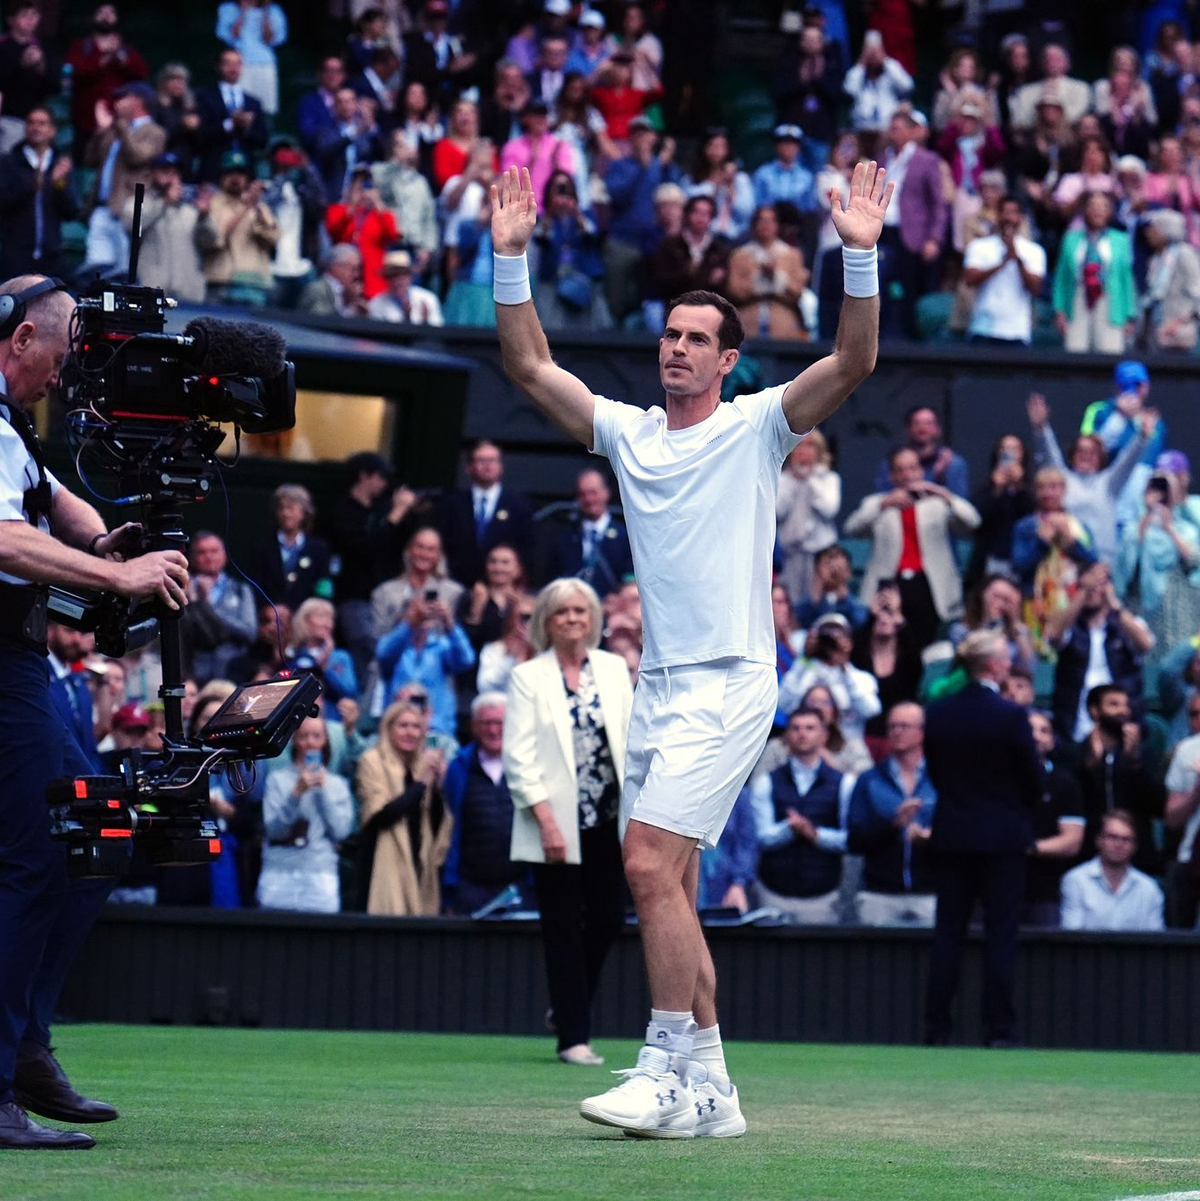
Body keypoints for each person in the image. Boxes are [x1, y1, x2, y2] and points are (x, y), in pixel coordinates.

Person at [492, 153, 892, 1134]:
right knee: (665, 881)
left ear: (727, 361)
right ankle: (713, 1089)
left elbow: (852, 364)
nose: (676, 348)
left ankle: (665, 1067)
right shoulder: (629, 435)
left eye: (697, 339)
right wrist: (512, 261)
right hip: (663, 689)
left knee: (639, 865)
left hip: (736, 684)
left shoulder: (759, 425)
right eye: (669, 333)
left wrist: (861, 259)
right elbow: (530, 365)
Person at [0, 276, 190, 1149]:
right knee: (46, 850)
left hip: (23, 662)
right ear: (22, 339)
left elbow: (51, 506)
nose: (74, 364)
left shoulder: (15, 430)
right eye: (70, 344)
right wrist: (118, 576)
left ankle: (27, 1046)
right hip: (3, 666)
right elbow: (1, 535)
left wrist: (112, 538)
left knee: (99, 832)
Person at [503, 578, 633, 1067]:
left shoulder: (615, 669)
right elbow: (519, 760)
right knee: (562, 929)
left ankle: (565, 1008)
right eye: (562, 612)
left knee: (608, 919)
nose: (573, 619)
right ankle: (573, 1037)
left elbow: (630, 741)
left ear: (594, 618)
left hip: (608, 818)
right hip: (553, 824)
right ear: (546, 621)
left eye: (581, 611)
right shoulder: (528, 677)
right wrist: (548, 823)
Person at [922, 630, 1041, 1048]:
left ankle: (937, 1031)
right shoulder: (1010, 716)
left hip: (953, 833)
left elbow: (936, 774)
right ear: (993, 666)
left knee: (948, 934)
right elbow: (1033, 780)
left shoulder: (937, 713)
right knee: (1000, 935)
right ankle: (1000, 1032)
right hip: (1003, 839)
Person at [844, 446, 981, 650]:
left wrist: (943, 493)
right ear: (892, 475)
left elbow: (973, 521)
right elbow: (851, 528)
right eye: (901, 470)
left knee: (925, 644)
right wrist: (883, 504)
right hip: (891, 584)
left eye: (912, 468)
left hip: (929, 584)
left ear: (921, 471)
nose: (907, 475)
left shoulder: (936, 503)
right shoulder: (878, 503)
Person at [1026, 392, 1153, 567]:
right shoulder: (1063, 479)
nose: (1086, 456)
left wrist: (1143, 437)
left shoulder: (1109, 483)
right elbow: (1049, 452)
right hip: (1068, 560)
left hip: (1103, 561)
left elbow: (1128, 461)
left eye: (1092, 452)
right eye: (1081, 451)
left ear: (1100, 457)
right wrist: (1041, 427)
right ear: (1072, 455)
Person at [750, 707, 853, 922]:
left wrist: (815, 834)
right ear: (787, 736)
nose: (802, 733)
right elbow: (760, 836)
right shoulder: (766, 781)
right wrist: (789, 829)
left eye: (810, 728)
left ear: (824, 735)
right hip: (773, 893)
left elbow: (849, 839)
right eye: (795, 728)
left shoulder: (844, 783)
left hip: (822, 896)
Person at [325, 452, 418, 684]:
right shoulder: (343, 511)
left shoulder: (381, 509)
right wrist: (396, 514)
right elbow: (366, 546)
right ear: (364, 476)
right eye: (380, 476)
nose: (384, 483)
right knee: (364, 644)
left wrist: (407, 511)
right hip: (354, 595)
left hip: (386, 593)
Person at [355, 699, 452, 915]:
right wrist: (423, 782)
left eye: (416, 726)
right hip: (382, 861)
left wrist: (439, 785)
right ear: (388, 729)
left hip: (420, 860)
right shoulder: (372, 761)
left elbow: (437, 822)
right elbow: (381, 816)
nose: (410, 732)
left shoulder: (422, 765)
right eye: (403, 725)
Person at [846, 701, 937, 926]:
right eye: (892, 726)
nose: (896, 732)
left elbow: (960, 829)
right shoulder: (869, 780)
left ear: (922, 732)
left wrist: (932, 837)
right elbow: (854, 840)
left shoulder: (942, 778)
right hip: (879, 894)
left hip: (931, 892)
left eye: (904, 726)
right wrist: (893, 825)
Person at [1046, 563, 1154, 743]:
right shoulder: (1070, 625)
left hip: (1120, 721)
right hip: (1074, 723)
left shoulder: (1125, 624)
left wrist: (1114, 604)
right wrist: (1083, 592)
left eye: (1099, 585)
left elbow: (1145, 644)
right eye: (1086, 584)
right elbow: (1053, 634)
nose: (1093, 590)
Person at [258, 715, 353, 913]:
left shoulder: (337, 785)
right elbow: (274, 831)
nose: (310, 742)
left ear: (325, 740)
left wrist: (322, 791)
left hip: (320, 875)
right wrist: (296, 794)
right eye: (303, 736)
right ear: (293, 740)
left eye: (316, 736)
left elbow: (341, 831)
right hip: (279, 874)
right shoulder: (278, 780)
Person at [443, 692, 526, 913]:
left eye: (500, 723)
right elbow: (450, 826)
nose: (493, 730)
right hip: (470, 887)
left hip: (520, 886)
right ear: (474, 726)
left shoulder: (527, 765)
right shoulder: (458, 768)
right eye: (486, 723)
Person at [1070, 684, 1165, 876]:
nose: (1123, 711)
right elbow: (1072, 801)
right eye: (1114, 704)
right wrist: (1091, 766)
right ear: (1094, 711)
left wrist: (1134, 762)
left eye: (1125, 705)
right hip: (1086, 856)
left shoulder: (1143, 755)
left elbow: (1159, 806)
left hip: (1137, 858)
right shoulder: (1074, 754)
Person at [82, 80, 165, 273]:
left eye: (122, 97)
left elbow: (137, 157)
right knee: (95, 271)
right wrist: (101, 131)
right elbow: (90, 159)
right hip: (101, 208)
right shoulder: (115, 129)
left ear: (138, 101)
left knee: (122, 274)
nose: (117, 102)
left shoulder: (154, 132)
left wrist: (121, 128)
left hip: (128, 210)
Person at [438, 440, 534, 589]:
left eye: (493, 460)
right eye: (481, 460)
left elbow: (527, 551)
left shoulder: (519, 506)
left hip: (503, 589)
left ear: (501, 467)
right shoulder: (453, 504)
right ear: (468, 467)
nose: (488, 466)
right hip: (458, 586)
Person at [1052, 192, 1137, 354]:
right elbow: (1061, 277)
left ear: (1110, 212)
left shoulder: (1121, 240)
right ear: (1085, 210)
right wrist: (1059, 310)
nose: (1097, 210)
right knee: (1075, 351)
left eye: (1103, 206)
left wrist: (1130, 315)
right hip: (1078, 297)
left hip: (1110, 299)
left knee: (1109, 352)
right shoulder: (1071, 238)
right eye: (1092, 206)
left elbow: (1126, 278)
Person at [1023, 709, 1085, 927]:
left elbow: (1072, 841)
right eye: (1029, 728)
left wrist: (1028, 847)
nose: (1036, 735)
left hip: (1045, 892)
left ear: (1052, 742)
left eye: (1044, 731)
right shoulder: (994, 779)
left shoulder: (1064, 783)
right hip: (993, 886)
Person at [194, 150, 279, 307]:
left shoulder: (259, 206)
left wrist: (258, 210)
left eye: (240, 173)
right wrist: (245, 209)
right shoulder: (211, 205)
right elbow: (215, 240)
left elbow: (273, 238)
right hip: (221, 285)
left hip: (254, 285)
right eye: (230, 173)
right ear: (221, 176)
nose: (236, 178)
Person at [0, 109, 77, 281]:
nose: (36, 128)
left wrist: (57, 183)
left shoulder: (60, 164)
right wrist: (32, 185)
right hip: (15, 255)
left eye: (42, 123)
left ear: (52, 130)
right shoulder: (9, 162)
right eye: (31, 123)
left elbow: (70, 211)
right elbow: (3, 202)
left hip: (51, 256)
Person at [120, 151, 205, 304]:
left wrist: (205, 216)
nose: (171, 177)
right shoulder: (138, 203)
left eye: (174, 172)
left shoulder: (190, 210)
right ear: (153, 174)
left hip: (187, 295)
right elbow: (133, 227)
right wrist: (164, 202)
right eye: (165, 171)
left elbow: (210, 241)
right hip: (151, 291)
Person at [961, 195, 1046, 346]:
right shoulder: (979, 246)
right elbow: (970, 279)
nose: (1009, 218)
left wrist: (1017, 259)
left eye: (1013, 213)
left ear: (1021, 218)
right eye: (1005, 212)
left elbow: (1035, 288)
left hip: (1016, 332)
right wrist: (1003, 261)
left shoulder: (1034, 251)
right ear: (997, 216)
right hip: (983, 329)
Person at [1060, 811, 1165, 932]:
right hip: (1088, 951)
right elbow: (1071, 936)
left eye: (1126, 839)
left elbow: (1154, 941)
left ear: (1135, 846)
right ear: (1099, 840)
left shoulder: (1149, 889)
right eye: (1112, 837)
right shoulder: (1076, 880)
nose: (1119, 844)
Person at [180, 530, 256, 686]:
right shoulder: (183, 590)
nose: (209, 557)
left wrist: (208, 605)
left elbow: (250, 632)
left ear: (224, 554)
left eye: (214, 551)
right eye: (202, 552)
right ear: (192, 558)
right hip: (195, 676)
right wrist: (191, 601)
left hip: (232, 673)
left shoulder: (240, 590)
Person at [725, 205, 810, 341]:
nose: (766, 225)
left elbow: (797, 291)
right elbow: (733, 289)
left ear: (777, 225)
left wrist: (775, 277)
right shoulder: (739, 255)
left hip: (783, 322)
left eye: (771, 221)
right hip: (748, 320)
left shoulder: (792, 255)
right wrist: (759, 282)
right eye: (761, 220)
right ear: (754, 224)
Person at [775, 431, 840, 607]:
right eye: (799, 445)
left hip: (821, 555)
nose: (803, 450)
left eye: (809, 445)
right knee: (791, 605)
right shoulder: (782, 479)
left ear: (819, 450)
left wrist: (810, 480)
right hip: (791, 556)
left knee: (820, 603)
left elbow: (829, 509)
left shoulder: (828, 478)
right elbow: (776, 511)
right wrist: (793, 482)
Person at [244, 483, 332, 612]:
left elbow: (323, 588)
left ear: (303, 512)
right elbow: (254, 586)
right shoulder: (261, 547)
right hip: (271, 617)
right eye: (281, 508)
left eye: (290, 508)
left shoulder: (318, 549)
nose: (285, 513)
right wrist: (271, 609)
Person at [550, 468, 632, 598]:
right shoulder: (564, 539)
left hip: (615, 609)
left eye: (593, 492)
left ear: (606, 493)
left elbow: (631, 578)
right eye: (583, 494)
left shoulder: (626, 536)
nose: (589, 499)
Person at [193, 47, 270, 184]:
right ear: (218, 67)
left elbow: (262, 140)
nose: (233, 68)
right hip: (213, 171)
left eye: (237, 63)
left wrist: (246, 127)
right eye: (227, 63)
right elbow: (201, 134)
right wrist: (229, 124)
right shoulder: (204, 97)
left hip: (245, 172)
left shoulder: (253, 102)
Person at [872, 405, 968, 498]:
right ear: (908, 429)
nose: (922, 428)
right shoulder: (892, 462)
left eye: (928, 423)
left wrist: (940, 478)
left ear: (938, 429)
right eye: (916, 423)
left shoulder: (952, 463)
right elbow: (881, 498)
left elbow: (961, 506)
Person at [1140, 209, 1200, 352]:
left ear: (1166, 229)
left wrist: (1177, 322)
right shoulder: (1157, 258)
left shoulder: (1185, 254)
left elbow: (1197, 293)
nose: (1148, 234)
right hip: (1158, 329)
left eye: (1153, 229)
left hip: (1180, 331)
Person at [215, 0, 288, 116]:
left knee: (266, 108)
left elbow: (270, 39)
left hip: (265, 64)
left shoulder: (274, 10)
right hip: (239, 63)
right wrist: (243, 11)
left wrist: (265, 11)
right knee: (240, 105)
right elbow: (231, 36)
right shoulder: (228, 8)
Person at [795, 544, 869, 632]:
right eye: (828, 565)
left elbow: (860, 623)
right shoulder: (808, 602)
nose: (833, 570)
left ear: (848, 572)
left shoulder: (855, 605)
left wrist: (842, 590)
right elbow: (799, 621)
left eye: (840, 568)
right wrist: (818, 586)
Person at [367, 249, 445, 325]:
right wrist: (406, 319)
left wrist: (425, 324)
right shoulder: (376, 304)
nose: (398, 280)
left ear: (410, 277)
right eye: (393, 275)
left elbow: (439, 333)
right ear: (387, 279)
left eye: (403, 274)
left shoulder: (428, 299)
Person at [297, 244, 365, 317]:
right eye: (353, 269)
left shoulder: (348, 293)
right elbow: (321, 321)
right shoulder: (317, 290)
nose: (356, 275)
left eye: (358, 269)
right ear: (337, 267)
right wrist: (347, 303)